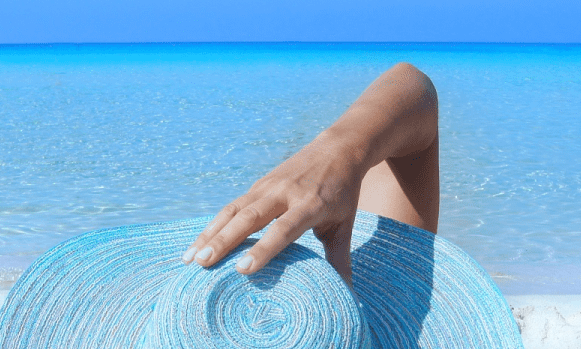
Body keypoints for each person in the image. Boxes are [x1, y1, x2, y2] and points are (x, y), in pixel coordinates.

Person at [179, 62, 440, 282]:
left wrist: (336, 151)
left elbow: (410, 83)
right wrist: (341, 152)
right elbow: (413, 85)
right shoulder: (387, 286)